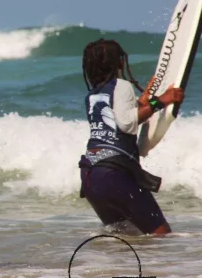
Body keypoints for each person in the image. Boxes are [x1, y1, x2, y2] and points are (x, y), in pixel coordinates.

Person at [79, 39, 184, 235]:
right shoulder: (121, 85)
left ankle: (114, 267)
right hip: (113, 174)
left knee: (123, 235)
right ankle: (162, 267)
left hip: (90, 176)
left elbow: (116, 124)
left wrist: (141, 104)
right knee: (160, 234)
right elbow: (126, 123)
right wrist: (161, 100)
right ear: (119, 63)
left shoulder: (93, 96)